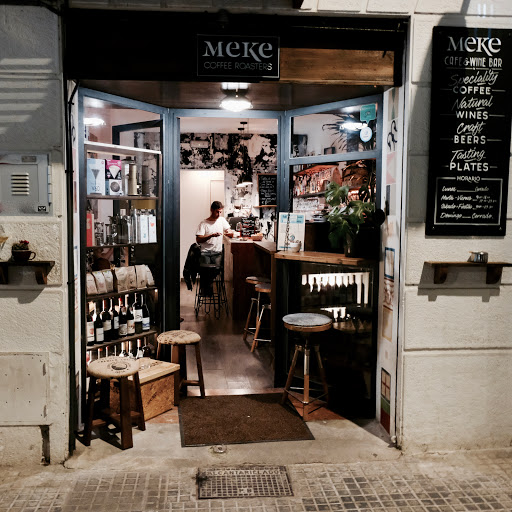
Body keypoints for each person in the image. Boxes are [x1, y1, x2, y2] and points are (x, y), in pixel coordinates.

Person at [195, 201, 232, 295]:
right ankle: (206, 291)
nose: (219, 214)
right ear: (211, 210)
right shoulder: (204, 223)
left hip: (217, 252)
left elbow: (228, 230)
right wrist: (211, 235)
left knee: (215, 271)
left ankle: (208, 288)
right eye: (217, 212)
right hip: (205, 252)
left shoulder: (222, 220)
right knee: (206, 271)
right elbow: (198, 239)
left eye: (220, 212)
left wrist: (229, 232)